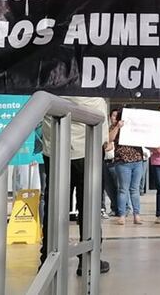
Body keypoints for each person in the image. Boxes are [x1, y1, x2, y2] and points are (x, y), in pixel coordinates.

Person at [40, 96, 111, 275]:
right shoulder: (92, 85)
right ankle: (88, 259)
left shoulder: (52, 80)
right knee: (89, 206)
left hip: (56, 147)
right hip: (88, 146)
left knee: (55, 207)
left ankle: (48, 259)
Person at [108, 107, 145, 225]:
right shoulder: (115, 126)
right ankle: (122, 215)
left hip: (137, 160)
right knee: (123, 189)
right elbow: (109, 139)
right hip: (122, 162)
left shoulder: (137, 126)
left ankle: (137, 215)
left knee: (135, 189)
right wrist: (118, 127)